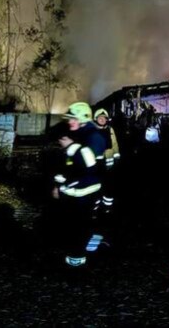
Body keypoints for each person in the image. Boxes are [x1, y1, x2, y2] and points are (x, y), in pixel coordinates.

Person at [52, 102, 105, 267]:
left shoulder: (94, 137)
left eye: (73, 119)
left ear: (83, 118)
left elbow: (88, 164)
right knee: (73, 227)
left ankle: (77, 263)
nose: (70, 122)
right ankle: (79, 252)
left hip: (85, 192)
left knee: (79, 227)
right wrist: (58, 185)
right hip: (74, 191)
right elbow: (68, 164)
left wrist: (71, 147)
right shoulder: (78, 133)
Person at [93, 108, 119, 213]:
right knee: (96, 186)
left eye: (104, 118)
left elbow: (115, 144)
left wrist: (116, 156)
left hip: (109, 164)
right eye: (100, 118)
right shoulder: (92, 130)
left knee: (108, 186)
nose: (102, 120)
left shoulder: (110, 129)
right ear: (96, 119)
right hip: (96, 163)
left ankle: (107, 207)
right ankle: (95, 207)